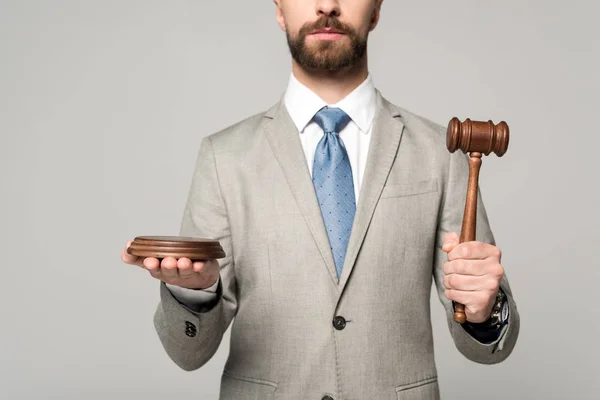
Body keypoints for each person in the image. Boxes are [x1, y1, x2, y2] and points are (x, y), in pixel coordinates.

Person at [121, 0, 520, 398]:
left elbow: (487, 348)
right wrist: (195, 292)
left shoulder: (442, 154)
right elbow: (187, 353)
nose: (327, 4)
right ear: (279, 10)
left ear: (377, 10)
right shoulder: (224, 157)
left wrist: (483, 311)